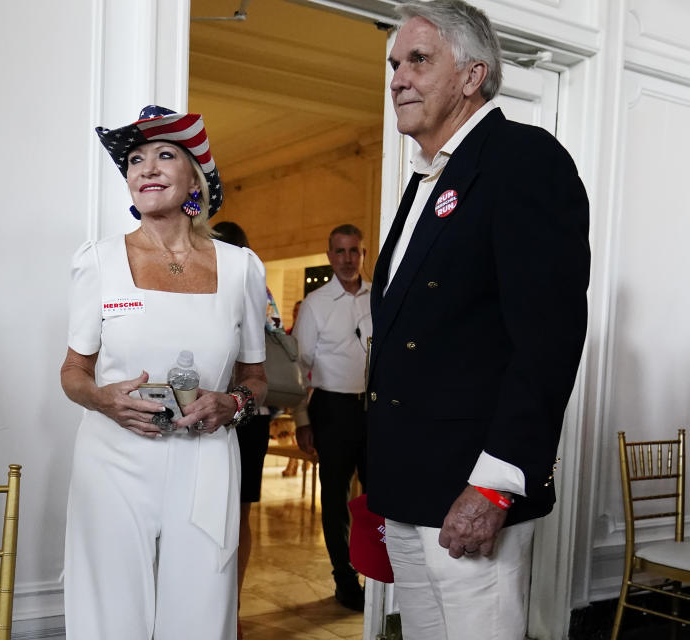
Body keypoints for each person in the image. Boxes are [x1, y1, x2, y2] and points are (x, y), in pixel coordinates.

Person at [365, 2, 590, 639]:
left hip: (469, 489)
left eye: (417, 60)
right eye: (394, 64)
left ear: (472, 76)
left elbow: (546, 343)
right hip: (409, 485)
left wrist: (493, 487)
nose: (397, 78)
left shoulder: (524, 159)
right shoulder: (427, 180)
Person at [60, 105, 268, 640]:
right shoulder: (99, 261)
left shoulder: (240, 266)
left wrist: (232, 404)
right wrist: (104, 399)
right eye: (134, 160)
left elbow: (255, 377)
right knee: (112, 615)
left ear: (195, 177)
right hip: (114, 460)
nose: (145, 168)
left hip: (206, 461)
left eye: (164, 155)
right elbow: (73, 373)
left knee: (199, 614)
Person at [292, 223, 372, 611]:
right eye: (340, 251)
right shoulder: (315, 304)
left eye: (354, 251)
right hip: (332, 409)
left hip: (374, 409)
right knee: (336, 500)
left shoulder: (380, 297)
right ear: (330, 256)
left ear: (363, 254)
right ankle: (345, 579)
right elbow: (297, 368)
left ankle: (378, 574)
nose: (347, 259)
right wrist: (302, 421)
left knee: (378, 497)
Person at [211, 219, 278, 639]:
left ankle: (229, 606)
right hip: (215, 414)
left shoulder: (253, 285)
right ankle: (221, 607)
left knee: (237, 515)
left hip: (247, 414)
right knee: (227, 515)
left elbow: (260, 355)